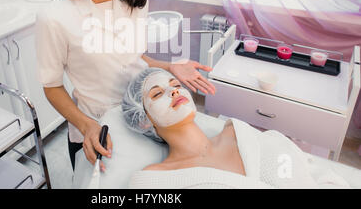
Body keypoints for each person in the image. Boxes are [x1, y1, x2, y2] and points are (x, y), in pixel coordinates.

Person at [35, 0, 216, 172]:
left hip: (144, 116)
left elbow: (133, 56)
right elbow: (51, 87)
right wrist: (87, 125)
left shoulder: (135, 1)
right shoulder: (55, 16)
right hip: (95, 124)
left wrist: (169, 67)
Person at [122, 67, 351, 188]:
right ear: (144, 119)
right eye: (158, 93)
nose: (174, 91)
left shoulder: (238, 132)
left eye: (176, 85)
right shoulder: (156, 178)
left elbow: (303, 171)